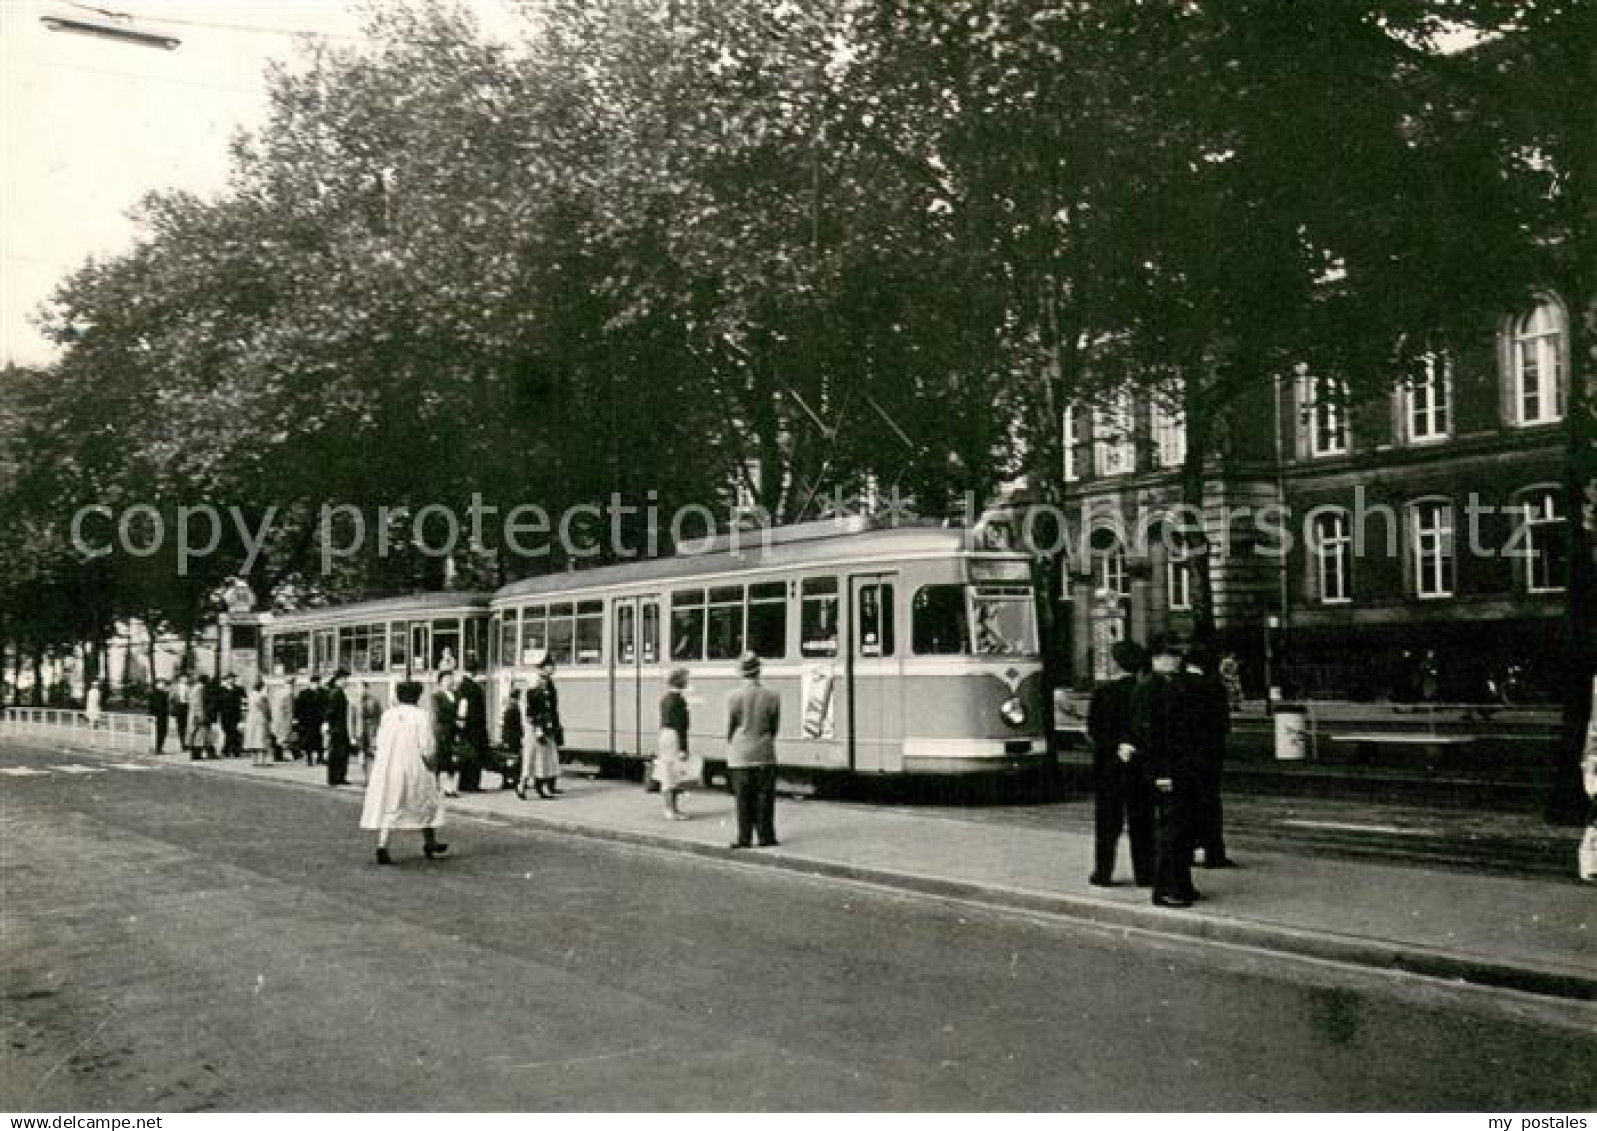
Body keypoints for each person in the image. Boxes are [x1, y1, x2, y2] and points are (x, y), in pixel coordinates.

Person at [1131, 634, 1206, 909]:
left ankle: (1182, 884)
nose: (1175, 660)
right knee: (1170, 831)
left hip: (1184, 767)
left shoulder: (1177, 685)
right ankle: (1164, 889)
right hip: (1167, 768)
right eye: (1169, 656)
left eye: (1177, 656)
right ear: (1155, 659)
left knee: (1183, 829)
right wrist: (1161, 772)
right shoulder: (1150, 688)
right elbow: (1150, 735)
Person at [359, 680, 448, 866]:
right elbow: (427, 746)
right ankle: (429, 841)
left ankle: (382, 845)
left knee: (391, 805)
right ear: (417, 696)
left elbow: (380, 740)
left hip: (390, 766)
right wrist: (433, 764)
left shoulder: (388, 715)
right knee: (425, 802)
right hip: (413, 765)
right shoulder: (421, 716)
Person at [1087, 640, 1153, 888]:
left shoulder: (1102, 694)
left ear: (1116, 665)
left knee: (1107, 822)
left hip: (1109, 766)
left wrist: (1115, 746)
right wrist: (1132, 745)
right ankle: (1145, 873)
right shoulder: (1145, 692)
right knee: (1142, 821)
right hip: (1140, 765)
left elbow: (1095, 731)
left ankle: (1103, 873)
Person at [1185, 645, 1236, 870]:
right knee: (1210, 802)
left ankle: (1187, 850)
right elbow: (1224, 725)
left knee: (1185, 805)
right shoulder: (1214, 687)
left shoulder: (1178, 685)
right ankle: (1213, 852)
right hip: (1209, 755)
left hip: (1184, 756)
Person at [725, 652, 781, 849]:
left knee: (743, 799)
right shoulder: (772, 696)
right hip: (765, 752)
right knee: (765, 797)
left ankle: (744, 838)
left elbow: (730, 726)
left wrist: (731, 742)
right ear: (759, 671)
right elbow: (775, 727)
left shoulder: (733, 696)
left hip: (740, 754)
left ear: (741, 672)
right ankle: (766, 837)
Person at [519, 653, 564, 799]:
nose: (553, 669)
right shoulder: (534, 688)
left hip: (546, 726)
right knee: (531, 757)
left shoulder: (546, 685)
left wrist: (554, 726)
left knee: (544, 759)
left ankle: (541, 786)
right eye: (551, 666)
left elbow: (551, 708)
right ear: (544, 668)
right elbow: (531, 711)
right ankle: (522, 784)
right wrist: (538, 729)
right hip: (536, 728)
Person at [653, 668, 694, 820]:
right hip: (674, 737)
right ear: (680, 681)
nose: (688, 681)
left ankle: (671, 809)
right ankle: (671, 810)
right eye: (686, 679)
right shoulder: (678, 700)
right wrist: (684, 748)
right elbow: (681, 726)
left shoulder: (666, 698)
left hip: (665, 735)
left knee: (669, 772)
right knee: (672, 773)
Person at [453, 661, 490, 793]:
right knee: (475, 756)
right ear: (475, 672)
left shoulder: (462, 686)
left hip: (467, 726)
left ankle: (463, 783)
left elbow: (462, 708)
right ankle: (472, 784)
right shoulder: (473, 687)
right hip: (475, 726)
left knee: (466, 756)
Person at [430, 671, 459, 797]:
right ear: (440, 681)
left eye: (451, 678)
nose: (450, 681)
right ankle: (436, 786)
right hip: (441, 731)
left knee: (451, 760)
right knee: (439, 758)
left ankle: (449, 787)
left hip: (452, 730)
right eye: (447, 679)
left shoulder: (455, 695)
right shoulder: (436, 696)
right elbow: (438, 714)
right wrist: (454, 720)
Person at [350, 680, 382, 782]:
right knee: (361, 755)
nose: (360, 690)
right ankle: (365, 777)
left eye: (362, 688)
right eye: (358, 688)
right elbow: (352, 720)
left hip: (371, 731)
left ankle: (371, 777)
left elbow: (379, 716)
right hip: (360, 731)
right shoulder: (354, 703)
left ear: (367, 688)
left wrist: (378, 732)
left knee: (371, 754)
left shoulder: (374, 701)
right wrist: (352, 735)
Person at [325, 669, 352, 786]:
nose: (346, 681)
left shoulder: (337, 692)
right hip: (338, 728)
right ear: (339, 680)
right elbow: (330, 712)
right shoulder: (336, 693)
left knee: (340, 753)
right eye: (345, 679)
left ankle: (338, 776)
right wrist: (330, 726)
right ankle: (335, 777)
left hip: (339, 727)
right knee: (337, 753)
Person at [295, 674, 326, 765]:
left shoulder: (323, 693)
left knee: (319, 740)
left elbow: (325, 707)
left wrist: (325, 719)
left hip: (318, 720)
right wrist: (297, 719)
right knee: (308, 740)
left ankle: (320, 757)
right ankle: (309, 759)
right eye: (314, 683)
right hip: (307, 721)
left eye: (317, 683)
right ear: (310, 683)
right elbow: (299, 707)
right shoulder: (304, 693)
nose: (315, 685)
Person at [499, 686, 524, 790]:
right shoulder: (513, 708)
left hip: (510, 738)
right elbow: (514, 725)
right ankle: (510, 780)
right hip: (513, 738)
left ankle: (509, 780)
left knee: (510, 760)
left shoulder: (510, 707)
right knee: (512, 760)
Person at [244, 677, 271, 767]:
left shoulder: (251, 695)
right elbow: (265, 709)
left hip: (251, 719)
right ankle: (263, 761)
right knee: (262, 739)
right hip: (260, 719)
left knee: (253, 740)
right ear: (262, 688)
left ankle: (254, 761)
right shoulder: (261, 697)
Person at [186, 675, 213, 760]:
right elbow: (198, 703)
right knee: (199, 734)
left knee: (194, 733)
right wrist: (201, 715)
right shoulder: (201, 688)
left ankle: (194, 754)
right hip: (198, 714)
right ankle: (196, 755)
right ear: (205, 681)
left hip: (193, 714)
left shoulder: (194, 688)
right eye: (208, 680)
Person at [218, 673, 245, 758]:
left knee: (233, 732)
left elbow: (244, 700)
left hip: (235, 714)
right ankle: (231, 750)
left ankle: (230, 751)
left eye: (233, 678)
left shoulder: (239, 689)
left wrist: (243, 713)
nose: (232, 680)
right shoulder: (222, 690)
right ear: (226, 680)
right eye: (230, 678)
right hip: (225, 714)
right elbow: (218, 702)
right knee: (228, 732)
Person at [269, 676, 295, 762]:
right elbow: (289, 709)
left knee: (277, 736)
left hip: (276, 717)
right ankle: (282, 755)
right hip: (284, 718)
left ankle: (277, 756)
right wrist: (291, 719)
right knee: (284, 737)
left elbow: (272, 704)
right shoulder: (289, 693)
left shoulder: (277, 692)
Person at [148, 678, 171, 754]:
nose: (163, 685)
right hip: (160, 716)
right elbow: (154, 705)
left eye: (163, 684)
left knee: (159, 732)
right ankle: (157, 748)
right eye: (161, 684)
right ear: (157, 685)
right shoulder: (161, 694)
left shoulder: (156, 694)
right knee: (160, 732)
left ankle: (157, 748)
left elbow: (151, 706)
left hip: (158, 716)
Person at [170, 674, 191, 756]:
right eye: (183, 678)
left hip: (186, 707)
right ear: (180, 679)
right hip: (178, 707)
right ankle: (182, 744)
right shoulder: (175, 687)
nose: (185, 680)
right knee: (180, 726)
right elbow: (171, 698)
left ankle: (186, 744)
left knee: (186, 726)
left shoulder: (189, 687)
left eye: (186, 678)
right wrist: (173, 709)